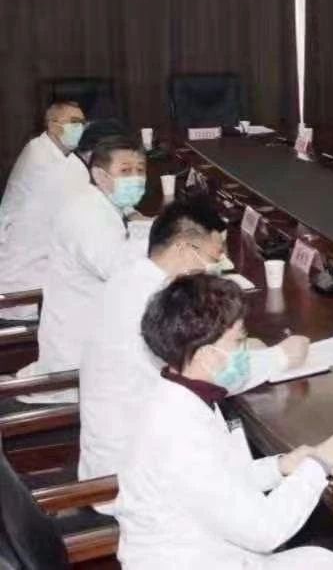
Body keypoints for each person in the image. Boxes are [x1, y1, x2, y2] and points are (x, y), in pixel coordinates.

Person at [115, 274, 333, 569]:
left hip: (204, 551)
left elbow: (220, 482)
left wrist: (280, 466)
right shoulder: (179, 431)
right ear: (207, 356)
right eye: (239, 341)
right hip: (195, 559)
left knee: (327, 561)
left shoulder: (181, 396)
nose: (246, 350)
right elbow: (264, 531)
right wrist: (318, 465)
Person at [79, 198, 311, 483]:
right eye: (214, 257)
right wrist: (281, 357)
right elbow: (212, 374)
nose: (220, 266)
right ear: (183, 248)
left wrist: (238, 345)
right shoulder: (154, 303)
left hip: (130, 448)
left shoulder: (130, 279)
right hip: (132, 474)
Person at [17, 136, 149, 397]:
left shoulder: (96, 202)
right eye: (125, 171)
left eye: (140, 170)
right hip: (80, 361)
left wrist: (134, 216)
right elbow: (119, 270)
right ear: (99, 175)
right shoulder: (88, 216)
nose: (136, 178)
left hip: (90, 336)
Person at [0, 101, 90, 319]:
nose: (80, 128)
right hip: (25, 267)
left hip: (51, 261)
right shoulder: (38, 155)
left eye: (82, 123)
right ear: (52, 125)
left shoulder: (71, 161)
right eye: (74, 122)